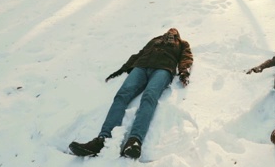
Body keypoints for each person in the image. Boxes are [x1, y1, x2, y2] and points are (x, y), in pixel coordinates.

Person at [69, 28, 193, 159]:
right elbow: (139, 54)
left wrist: (184, 72)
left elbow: (186, 57)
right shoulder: (155, 40)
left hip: (163, 69)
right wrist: (122, 69)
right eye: (169, 31)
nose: (171, 32)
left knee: (149, 96)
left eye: (174, 32)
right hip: (141, 67)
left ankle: (134, 141)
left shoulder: (182, 44)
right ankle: (103, 139)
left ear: (177, 35)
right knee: (122, 95)